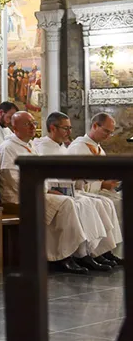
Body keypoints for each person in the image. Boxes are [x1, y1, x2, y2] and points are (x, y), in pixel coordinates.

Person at [0, 112, 116, 273]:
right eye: (27, 124)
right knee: (67, 203)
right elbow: (13, 180)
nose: (33, 127)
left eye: (34, 124)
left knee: (86, 201)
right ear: (14, 127)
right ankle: (64, 257)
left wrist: (50, 188)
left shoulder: (28, 146)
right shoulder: (8, 148)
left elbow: (41, 173)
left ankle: (87, 252)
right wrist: (47, 189)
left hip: (40, 191)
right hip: (20, 197)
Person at [33, 112, 123, 263]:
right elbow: (44, 175)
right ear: (52, 128)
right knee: (84, 203)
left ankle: (100, 250)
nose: (69, 132)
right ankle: (77, 254)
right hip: (53, 191)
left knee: (102, 203)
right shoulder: (42, 148)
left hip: (68, 190)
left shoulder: (62, 148)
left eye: (70, 128)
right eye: (65, 128)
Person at [67, 113, 124, 259]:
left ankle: (115, 250)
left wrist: (108, 182)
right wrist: (102, 183)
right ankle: (102, 251)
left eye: (111, 133)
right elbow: (73, 180)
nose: (108, 135)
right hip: (82, 193)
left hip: (98, 191)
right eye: (106, 131)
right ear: (94, 126)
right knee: (116, 203)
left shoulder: (99, 149)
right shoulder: (78, 148)